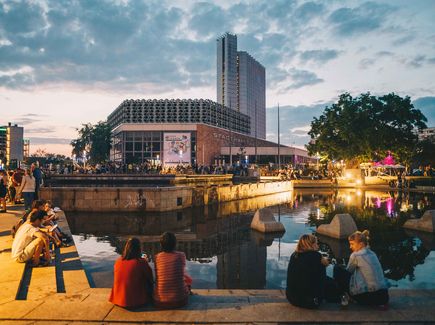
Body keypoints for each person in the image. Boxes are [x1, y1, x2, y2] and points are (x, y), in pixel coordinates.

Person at [333, 230, 389, 306]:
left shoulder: (355, 255)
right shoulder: (373, 253)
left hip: (369, 297)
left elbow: (348, 272)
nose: (350, 247)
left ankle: (344, 297)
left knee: (337, 269)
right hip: (384, 297)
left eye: (352, 244)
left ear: (361, 244)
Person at [286, 234, 331, 308]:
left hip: (292, 298)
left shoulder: (294, 255)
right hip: (310, 302)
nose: (318, 246)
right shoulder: (316, 256)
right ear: (311, 244)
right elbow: (321, 279)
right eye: (316, 243)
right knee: (331, 283)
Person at [109, 237, 153, 308]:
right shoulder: (141, 262)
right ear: (138, 249)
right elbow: (150, 278)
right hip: (136, 302)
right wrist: (145, 263)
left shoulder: (118, 261)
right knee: (149, 283)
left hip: (117, 300)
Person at [153, 232, 192, 309]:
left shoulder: (156, 257)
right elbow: (181, 272)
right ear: (175, 244)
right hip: (180, 301)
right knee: (188, 281)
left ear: (161, 245)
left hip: (159, 302)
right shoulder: (181, 255)